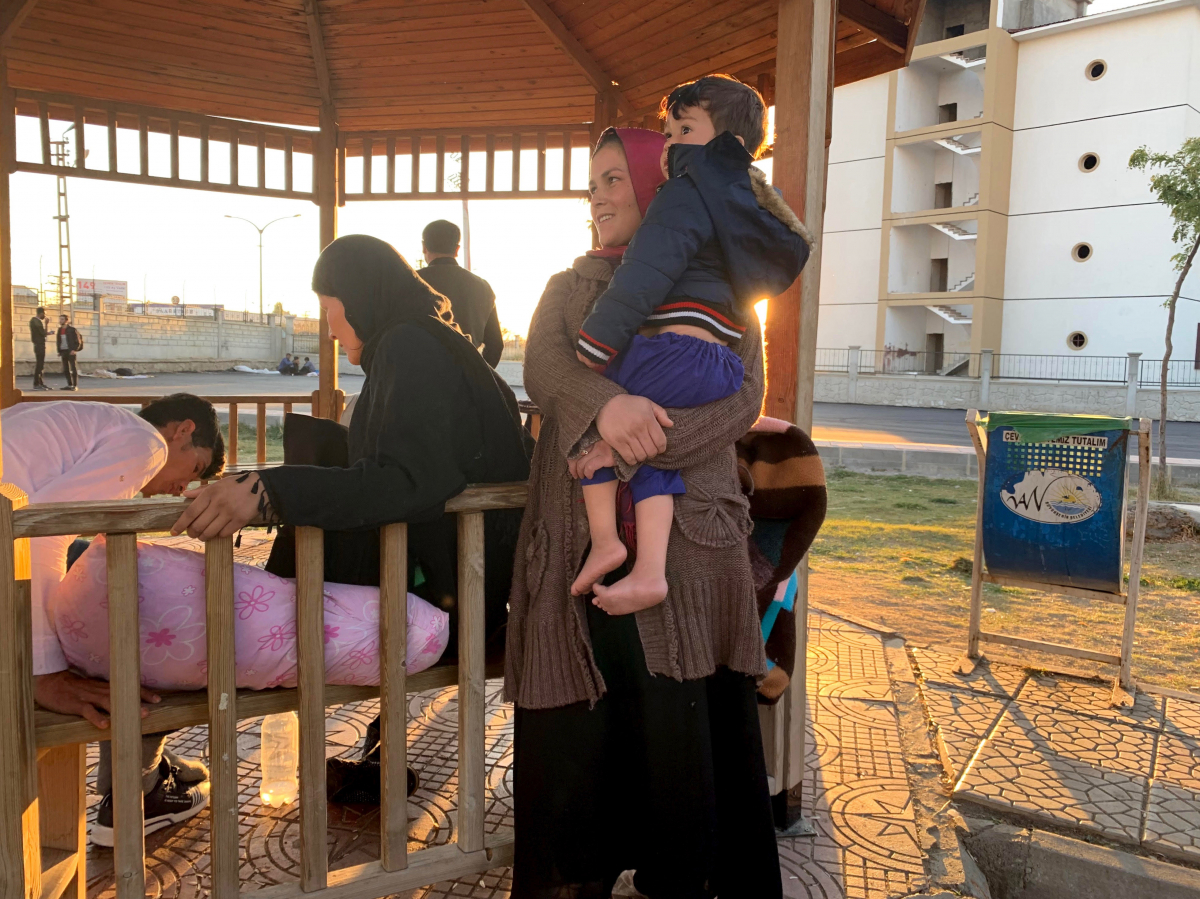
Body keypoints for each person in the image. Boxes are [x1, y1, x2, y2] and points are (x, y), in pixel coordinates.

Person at [506, 127, 782, 897]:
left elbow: (743, 398)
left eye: (612, 179)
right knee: (582, 735)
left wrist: (631, 443)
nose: (594, 195)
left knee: (680, 737)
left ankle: (681, 876)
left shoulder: (727, 287)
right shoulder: (566, 288)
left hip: (693, 556)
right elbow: (546, 368)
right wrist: (611, 404)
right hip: (577, 546)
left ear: (663, 190)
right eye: (591, 181)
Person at [170, 235, 532, 799]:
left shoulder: (410, 345)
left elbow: (409, 480)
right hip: (471, 582)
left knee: (242, 608)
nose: (331, 329)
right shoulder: (427, 338)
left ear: (358, 295)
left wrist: (270, 491)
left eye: (329, 307)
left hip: (456, 598)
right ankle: (378, 743)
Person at [570, 77, 811, 620]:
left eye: (682, 130)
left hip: (670, 354)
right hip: (711, 361)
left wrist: (596, 342)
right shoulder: (739, 217)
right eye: (667, 132)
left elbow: (644, 273)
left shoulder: (684, 196)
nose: (670, 146)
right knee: (634, 432)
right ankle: (639, 563)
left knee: (604, 432)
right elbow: (548, 372)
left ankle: (615, 543)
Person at [1, 394, 226, 845]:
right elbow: (43, 533)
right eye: (196, 470)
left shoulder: (88, 422)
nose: (182, 489)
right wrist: (43, 674)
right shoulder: (145, 443)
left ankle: (144, 771)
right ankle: (137, 785)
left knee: (94, 574)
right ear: (182, 430)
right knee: (150, 617)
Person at [417, 219, 504, 368]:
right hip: (465, 377)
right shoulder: (482, 286)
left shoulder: (413, 282)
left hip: (419, 374)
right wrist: (478, 375)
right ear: (457, 250)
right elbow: (495, 345)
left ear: (424, 247)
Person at [56, 313, 82, 390]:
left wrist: (74, 349)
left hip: (71, 351)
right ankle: (69, 384)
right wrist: (59, 351)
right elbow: (58, 341)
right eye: (60, 319)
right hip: (63, 351)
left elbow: (78, 341)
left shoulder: (72, 330)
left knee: (73, 368)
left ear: (66, 321)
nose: (60, 321)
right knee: (65, 369)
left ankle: (75, 385)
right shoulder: (60, 330)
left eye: (62, 319)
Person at [29, 306, 49, 390]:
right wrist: (46, 324)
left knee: (41, 365)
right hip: (39, 345)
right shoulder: (36, 321)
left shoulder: (34, 321)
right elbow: (43, 333)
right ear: (41, 313)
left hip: (38, 344)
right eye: (44, 314)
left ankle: (41, 383)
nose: (45, 316)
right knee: (40, 364)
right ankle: (36, 384)